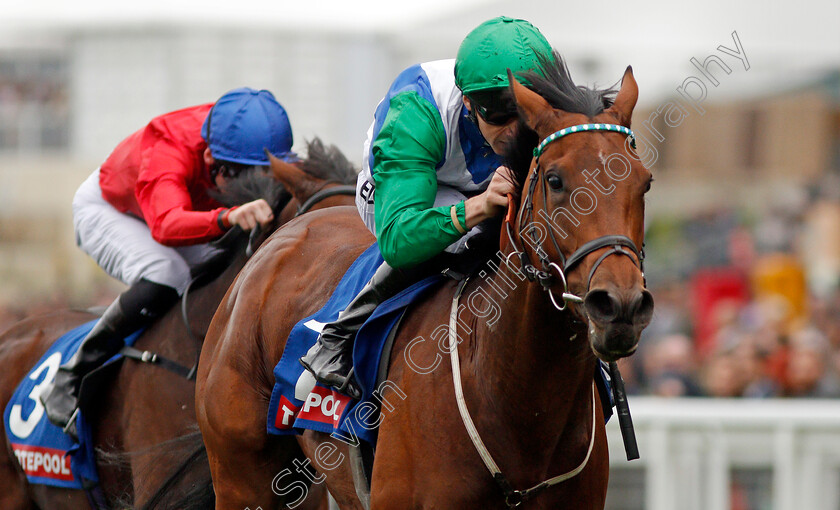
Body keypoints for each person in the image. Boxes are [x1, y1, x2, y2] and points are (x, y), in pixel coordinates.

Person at [300, 16, 554, 398]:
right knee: (461, 241)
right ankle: (340, 335)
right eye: (500, 113)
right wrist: (479, 207)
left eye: (526, 112)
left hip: (478, 183)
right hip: (401, 195)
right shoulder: (416, 110)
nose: (516, 130)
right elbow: (400, 240)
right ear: (467, 100)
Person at [41, 87, 295, 434]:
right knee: (167, 271)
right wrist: (226, 218)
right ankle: (70, 376)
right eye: (246, 177)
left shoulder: (243, 136)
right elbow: (166, 224)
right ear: (211, 161)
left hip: (179, 209)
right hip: (115, 211)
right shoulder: (169, 149)